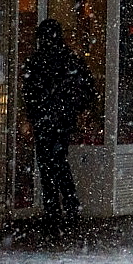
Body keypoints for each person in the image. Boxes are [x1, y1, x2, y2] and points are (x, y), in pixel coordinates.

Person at [20, 18, 97, 227]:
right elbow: (88, 87)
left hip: (45, 121)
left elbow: (29, 92)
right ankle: (70, 206)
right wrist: (74, 109)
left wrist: (35, 113)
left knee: (48, 167)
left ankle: (54, 211)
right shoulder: (69, 59)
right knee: (60, 162)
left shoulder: (36, 61)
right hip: (61, 120)